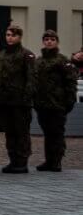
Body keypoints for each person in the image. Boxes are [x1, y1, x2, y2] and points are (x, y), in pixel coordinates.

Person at [0, 24, 35, 173]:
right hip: (4, 101)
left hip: (20, 102)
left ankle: (22, 162)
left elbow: (31, 78)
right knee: (9, 133)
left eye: (14, 35)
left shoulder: (26, 55)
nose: (10, 38)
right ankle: (13, 160)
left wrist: (27, 98)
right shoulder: (1, 55)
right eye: (8, 35)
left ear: (20, 37)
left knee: (21, 132)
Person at [32, 30, 77, 172]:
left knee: (57, 133)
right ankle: (49, 160)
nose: (49, 42)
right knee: (47, 133)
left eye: (52, 39)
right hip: (42, 104)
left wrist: (69, 101)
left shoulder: (62, 60)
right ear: (43, 42)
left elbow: (71, 82)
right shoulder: (38, 61)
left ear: (57, 42)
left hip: (57, 104)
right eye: (46, 39)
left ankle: (56, 161)